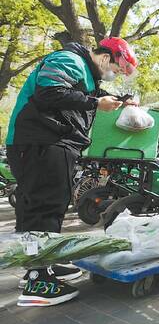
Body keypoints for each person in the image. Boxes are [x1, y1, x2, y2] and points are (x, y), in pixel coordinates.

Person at [5, 36, 138, 307]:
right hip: (42, 142)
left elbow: (77, 95)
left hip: (46, 143)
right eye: (116, 67)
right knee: (45, 207)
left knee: (38, 205)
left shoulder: (86, 77)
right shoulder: (70, 60)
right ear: (104, 57)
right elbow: (49, 92)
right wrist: (96, 103)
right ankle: (37, 282)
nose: (115, 73)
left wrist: (112, 101)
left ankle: (39, 264)